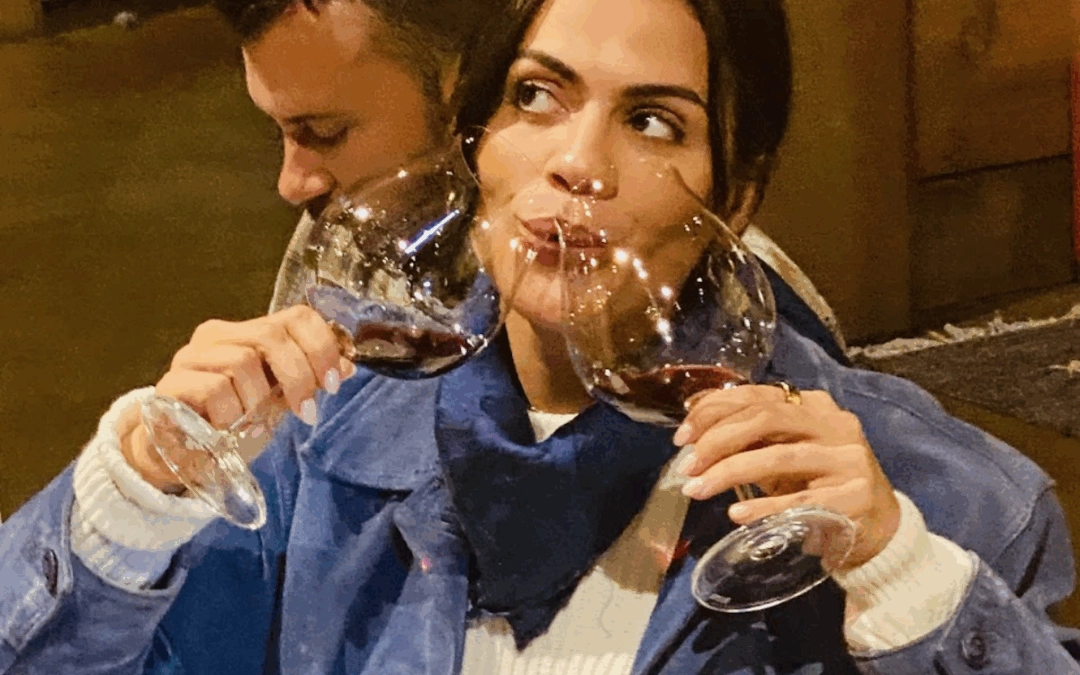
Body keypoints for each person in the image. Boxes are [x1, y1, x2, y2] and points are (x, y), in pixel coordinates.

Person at [5, 1, 1076, 674]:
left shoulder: (941, 498)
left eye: (655, 120)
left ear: (735, 195)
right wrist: (128, 499)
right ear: (477, 147)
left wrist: (906, 585)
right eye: (537, 97)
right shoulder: (321, 438)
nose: (580, 160)